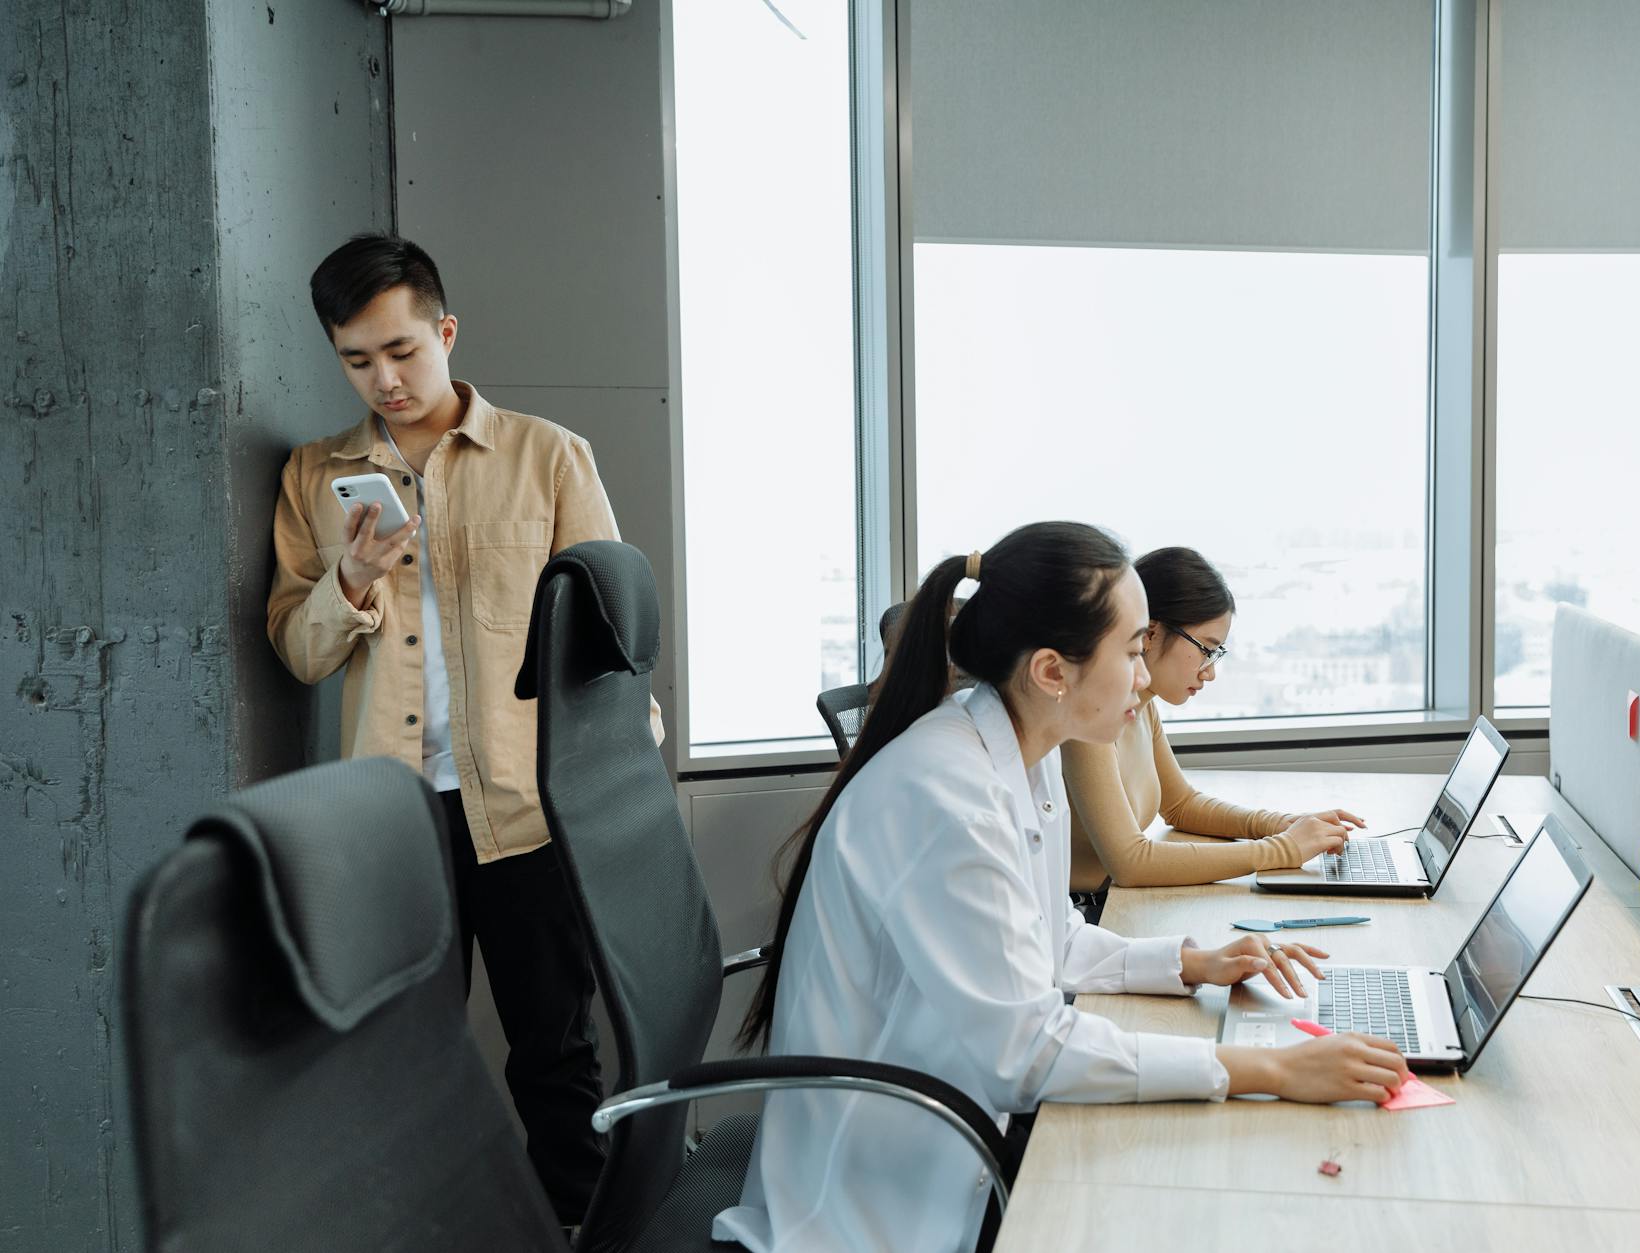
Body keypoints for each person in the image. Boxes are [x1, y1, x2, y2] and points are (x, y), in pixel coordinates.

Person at [713, 522, 1408, 1253]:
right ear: (1052, 671)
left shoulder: (1020, 749)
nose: (1145, 677)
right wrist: (1267, 1067)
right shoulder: (951, 799)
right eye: (1133, 651)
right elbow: (1029, 1055)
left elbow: (1050, 935)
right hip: (875, 1205)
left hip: (954, 1132)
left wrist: (1190, 962)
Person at [265, 233, 657, 1228]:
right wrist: (352, 578)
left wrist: (617, 777)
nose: (385, 380)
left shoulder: (548, 455)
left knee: (555, 1053)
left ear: (444, 332)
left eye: (402, 350)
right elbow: (298, 651)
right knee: (405, 1060)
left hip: (527, 807)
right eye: (357, 360)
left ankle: (577, 1225)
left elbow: (610, 639)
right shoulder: (315, 476)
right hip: (391, 822)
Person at [1061, 547, 1364, 918]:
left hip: (1113, 909)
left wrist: (1280, 825)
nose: (1210, 672)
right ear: (1150, 633)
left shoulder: (1142, 706)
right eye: (1205, 649)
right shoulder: (1089, 718)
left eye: (1216, 654)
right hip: (1082, 918)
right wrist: (1283, 849)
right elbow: (1131, 862)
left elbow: (1180, 805)